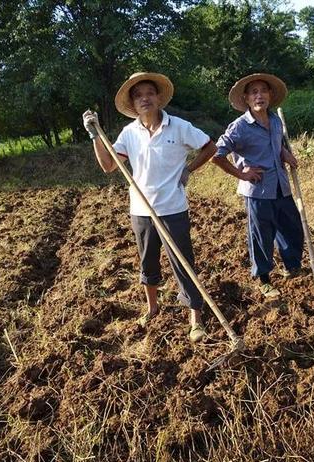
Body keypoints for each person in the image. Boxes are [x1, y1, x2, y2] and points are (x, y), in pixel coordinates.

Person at [82, 72, 217, 342]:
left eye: (149, 93)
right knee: (148, 261)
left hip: (173, 207)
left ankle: (195, 315)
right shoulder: (128, 133)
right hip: (141, 210)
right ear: (133, 104)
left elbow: (209, 146)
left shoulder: (178, 127)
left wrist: (188, 170)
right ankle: (152, 308)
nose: (144, 98)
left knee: (183, 262)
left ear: (158, 98)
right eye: (138, 95)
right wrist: (95, 135)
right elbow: (109, 166)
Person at [212, 73, 304, 299]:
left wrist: (284, 153)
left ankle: (291, 266)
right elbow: (217, 155)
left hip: (281, 186)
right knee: (261, 236)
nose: (259, 95)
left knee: (292, 229)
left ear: (271, 95)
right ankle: (263, 279)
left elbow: (276, 144)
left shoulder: (275, 120)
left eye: (263, 91)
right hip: (258, 191)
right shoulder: (239, 127)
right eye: (254, 92)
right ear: (246, 98)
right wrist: (241, 174)